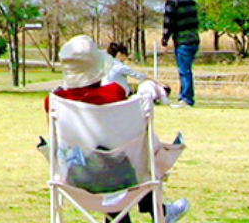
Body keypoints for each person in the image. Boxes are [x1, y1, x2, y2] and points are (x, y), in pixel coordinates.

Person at [50, 37, 190, 223]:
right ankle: (160, 212)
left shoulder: (54, 102)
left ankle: (148, 213)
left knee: (104, 158)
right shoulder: (114, 92)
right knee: (121, 159)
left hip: (75, 179)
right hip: (123, 179)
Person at [160, 0, 200, 107]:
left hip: (182, 40)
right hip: (194, 39)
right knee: (187, 70)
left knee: (184, 70)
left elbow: (168, 23)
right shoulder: (190, 0)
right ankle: (186, 97)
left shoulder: (172, 3)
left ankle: (186, 99)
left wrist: (164, 41)